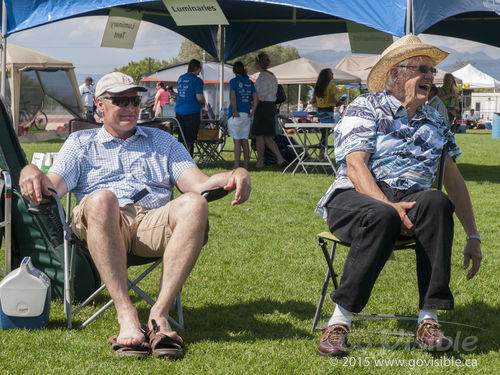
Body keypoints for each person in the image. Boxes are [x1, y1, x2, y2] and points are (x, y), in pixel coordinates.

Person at [19, 72, 251, 359]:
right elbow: (52, 185)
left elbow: (200, 185)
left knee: (195, 204)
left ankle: (159, 314)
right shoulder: (81, 142)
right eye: (120, 100)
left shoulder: (163, 142)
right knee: (104, 199)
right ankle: (126, 313)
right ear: (99, 105)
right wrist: (30, 171)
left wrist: (235, 173)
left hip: (151, 223)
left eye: (134, 100)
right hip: (100, 222)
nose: (130, 107)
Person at [315, 35, 482, 357]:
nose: (430, 77)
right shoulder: (366, 106)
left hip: (412, 199)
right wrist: (390, 206)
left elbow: (453, 180)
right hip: (354, 198)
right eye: (422, 69)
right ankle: (339, 322)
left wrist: (473, 235)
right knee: (383, 214)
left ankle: (428, 319)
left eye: (432, 71)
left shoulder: (436, 119)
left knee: (436, 200)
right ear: (395, 73)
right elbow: (355, 165)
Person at [253, 52, 286, 168]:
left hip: (263, 107)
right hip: (271, 106)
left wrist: (252, 105)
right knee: (266, 136)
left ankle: (260, 161)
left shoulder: (262, 77)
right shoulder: (272, 75)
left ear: (258, 64)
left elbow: (259, 96)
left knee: (259, 135)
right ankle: (280, 158)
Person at [227, 61, 258, 170]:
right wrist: (252, 111)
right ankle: (246, 165)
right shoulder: (249, 82)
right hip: (246, 115)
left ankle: (236, 165)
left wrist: (235, 110)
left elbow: (233, 96)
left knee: (237, 141)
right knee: (245, 140)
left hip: (235, 115)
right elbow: (256, 98)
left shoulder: (233, 81)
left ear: (234, 70)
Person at [312, 68, 346, 159]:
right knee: (326, 134)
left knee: (324, 133)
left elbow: (313, 101)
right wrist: (340, 102)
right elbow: (333, 101)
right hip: (328, 111)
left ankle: (321, 153)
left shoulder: (317, 86)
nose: (333, 75)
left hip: (320, 112)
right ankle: (321, 154)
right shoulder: (331, 86)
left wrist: (321, 101)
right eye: (331, 73)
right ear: (327, 75)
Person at [175, 59, 206, 155]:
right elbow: (199, 97)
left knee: (182, 138)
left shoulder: (180, 78)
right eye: (200, 69)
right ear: (196, 68)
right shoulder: (197, 80)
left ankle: (180, 159)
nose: (200, 71)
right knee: (190, 139)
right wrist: (204, 103)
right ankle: (189, 161)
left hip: (179, 111)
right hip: (191, 112)